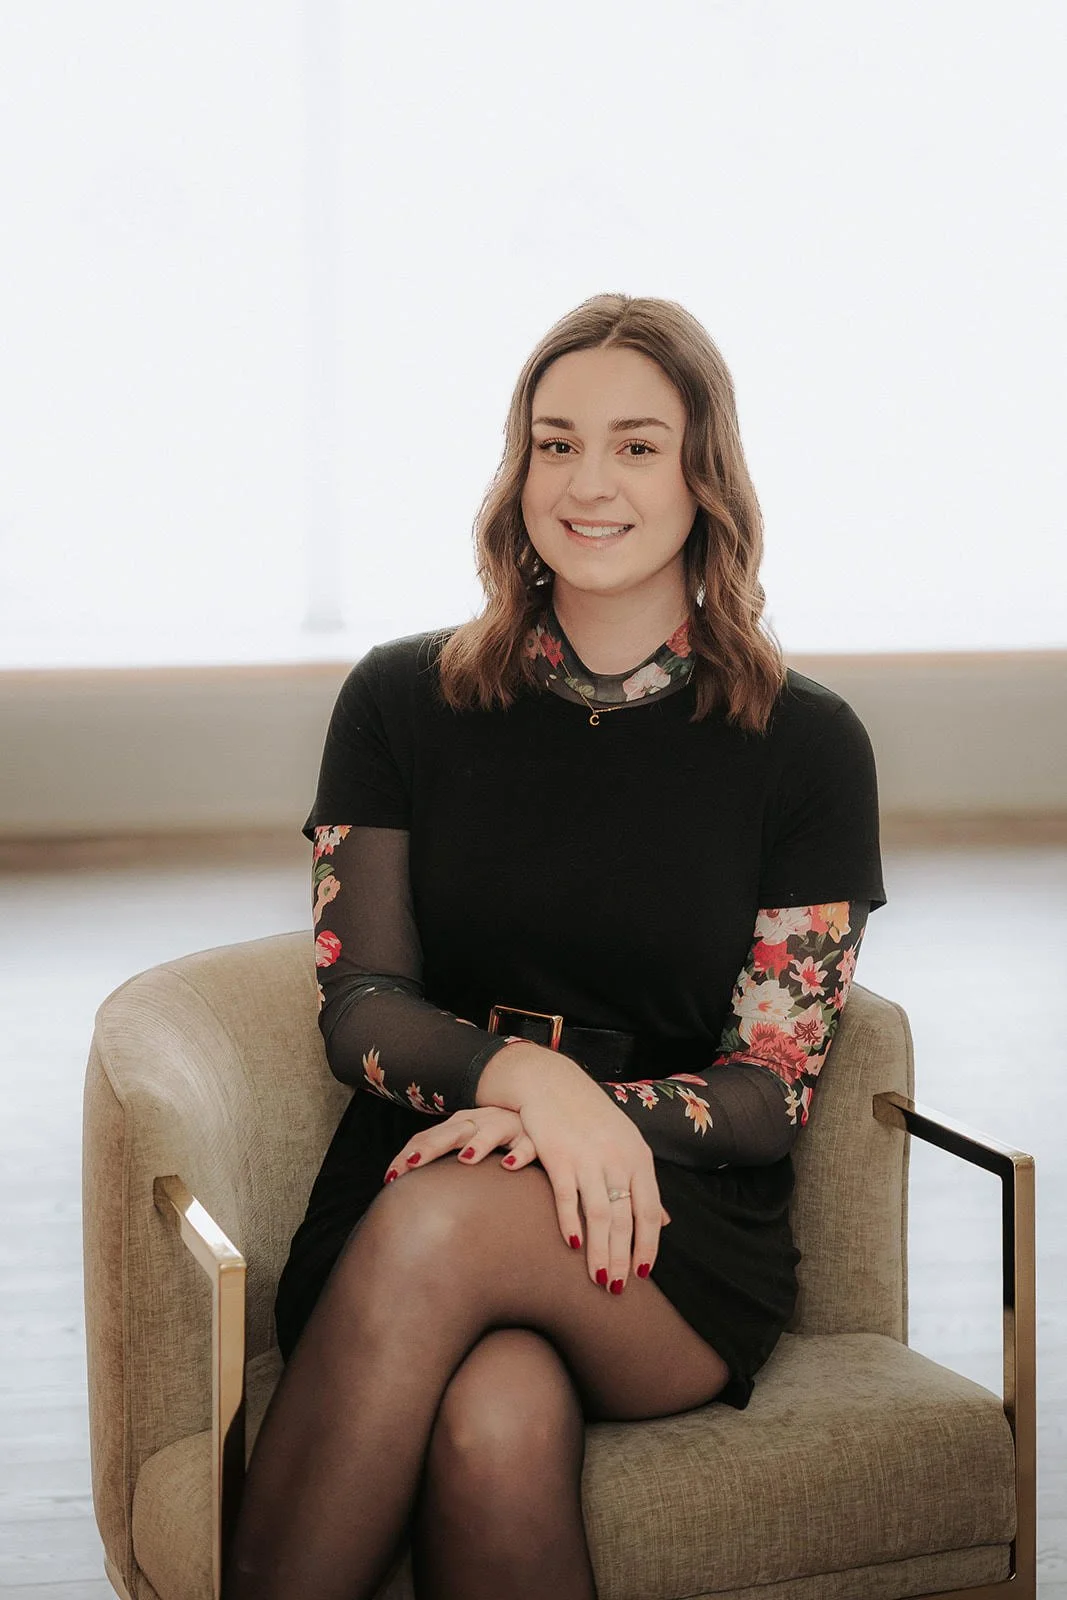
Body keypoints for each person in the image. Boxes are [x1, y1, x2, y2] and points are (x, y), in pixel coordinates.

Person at [222, 293, 886, 1600]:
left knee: (439, 1230)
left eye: (637, 446)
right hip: (415, 1166)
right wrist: (525, 1085)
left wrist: (588, 1119)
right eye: (553, 442)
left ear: (706, 473)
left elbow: (770, 1089)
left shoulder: (809, 746)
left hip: (667, 1235)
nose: (588, 483)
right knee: (495, 1418)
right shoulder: (398, 700)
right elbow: (358, 1007)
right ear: (515, 468)